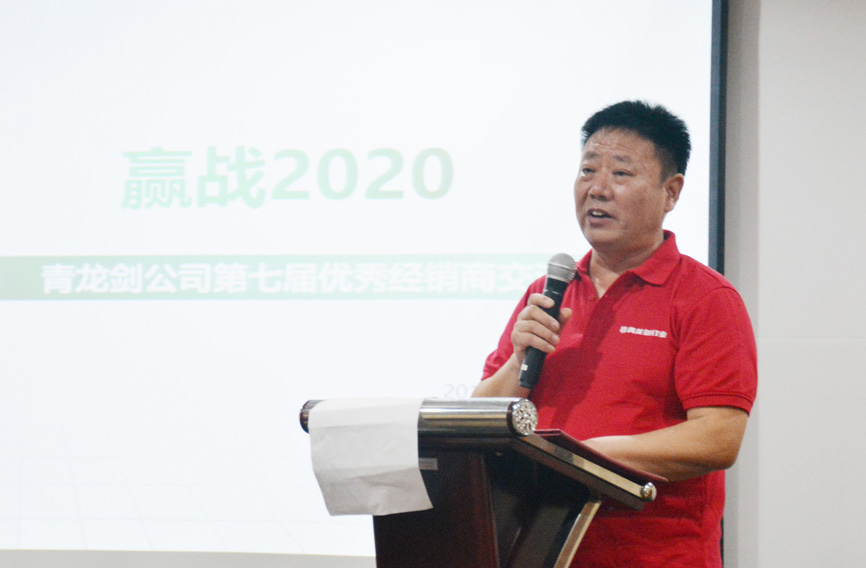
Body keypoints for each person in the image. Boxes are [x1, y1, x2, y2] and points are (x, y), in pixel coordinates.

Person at [473, 100, 757, 568]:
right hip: (538, 552)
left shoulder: (705, 298)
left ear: (671, 192)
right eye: (588, 170)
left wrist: (582, 458)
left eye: (621, 174)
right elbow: (481, 422)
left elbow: (718, 438)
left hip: (653, 557)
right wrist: (517, 362)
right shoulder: (546, 293)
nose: (597, 189)